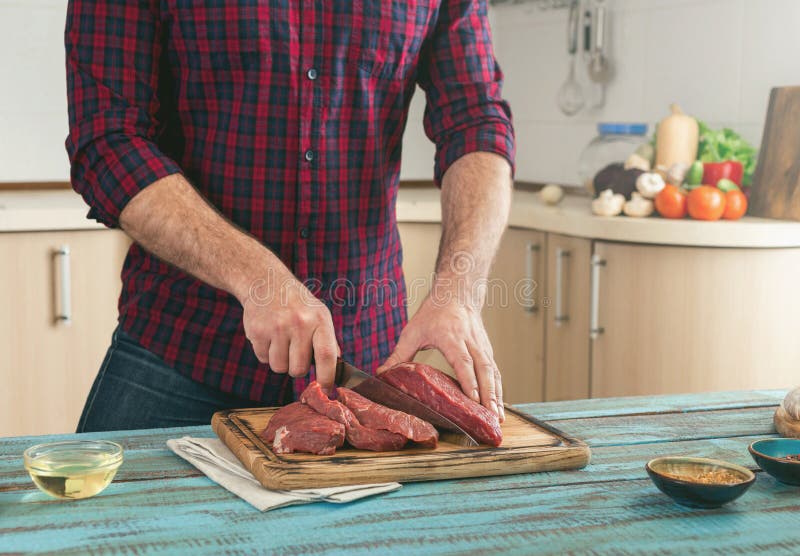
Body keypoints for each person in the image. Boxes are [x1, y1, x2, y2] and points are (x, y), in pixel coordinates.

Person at [66, 0, 514, 432]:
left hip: (362, 366)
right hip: (182, 350)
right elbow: (109, 140)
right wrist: (254, 273)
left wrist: (460, 289)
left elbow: (476, 121)